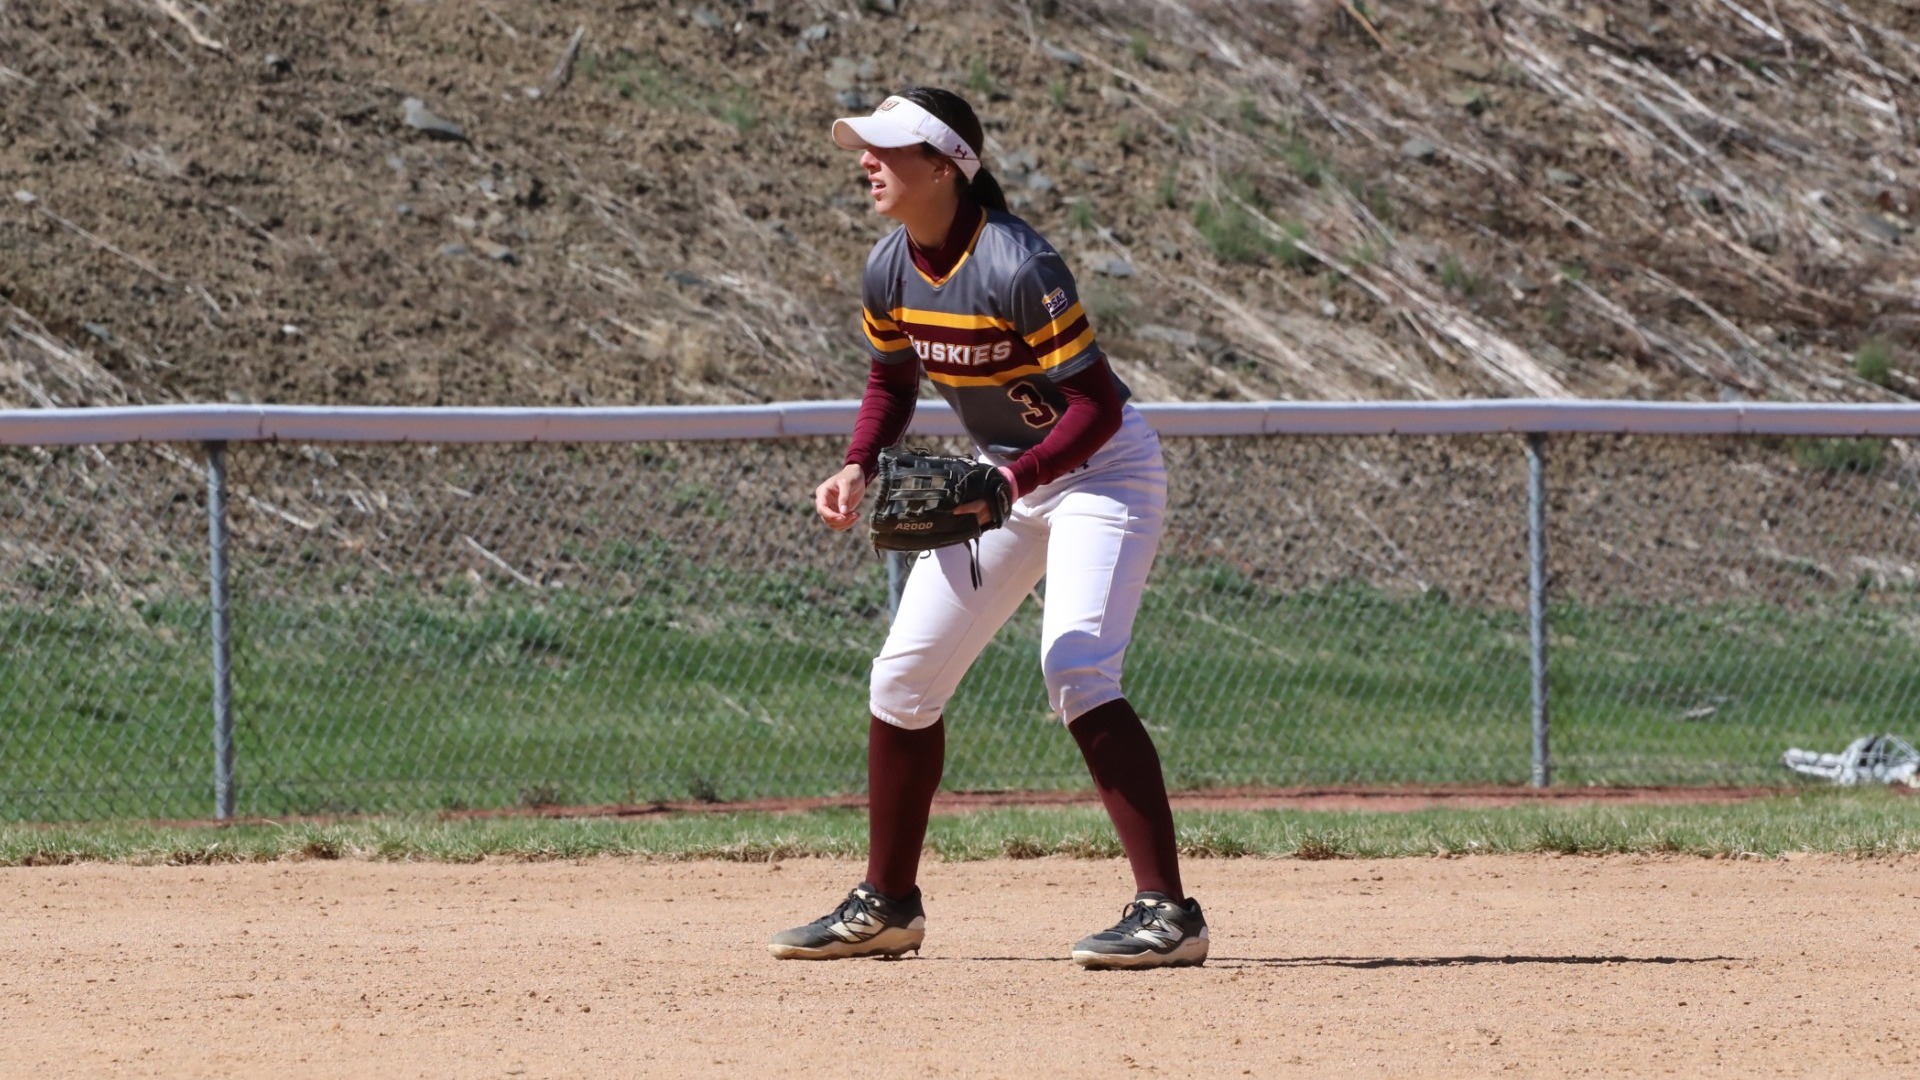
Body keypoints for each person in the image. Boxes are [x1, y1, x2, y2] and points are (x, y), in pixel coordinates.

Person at [768, 88, 1207, 970]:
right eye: (867, 148)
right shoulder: (889, 266)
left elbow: (1095, 407)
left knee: (1077, 667)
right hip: (1004, 481)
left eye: (888, 149)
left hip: (1100, 473)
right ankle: (887, 905)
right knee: (902, 681)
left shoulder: (1018, 264)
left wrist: (1010, 478)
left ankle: (1169, 913)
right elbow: (891, 382)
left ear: (945, 166)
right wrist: (858, 460)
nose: (867, 161)